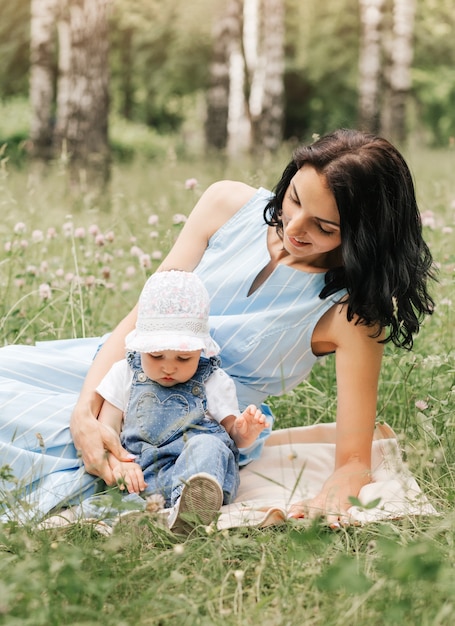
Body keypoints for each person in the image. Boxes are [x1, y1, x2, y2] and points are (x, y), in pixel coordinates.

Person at [0, 129, 434, 528]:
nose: (295, 229)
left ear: (363, 236)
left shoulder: (352, 314)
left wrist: (337, 488)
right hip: (117, 369)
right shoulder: (227, 204)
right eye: (295, 199)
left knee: (27, 432)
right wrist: (84, 410)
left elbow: (353, 459)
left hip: (195, 421)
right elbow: (140, 317)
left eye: (324, 227)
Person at [80, 269, 268, 532]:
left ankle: (190, 509)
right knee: (112, 498)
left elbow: (234, 437)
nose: (169, 368)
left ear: (200, 351)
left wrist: (245, 430)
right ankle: (144, 517)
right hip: (144, 478)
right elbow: (106, 430)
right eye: (156, 356)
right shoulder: (124, 373)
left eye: (183, 359)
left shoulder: (212, 380)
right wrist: (118, 464)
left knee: (208, 446)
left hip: (201, 476)